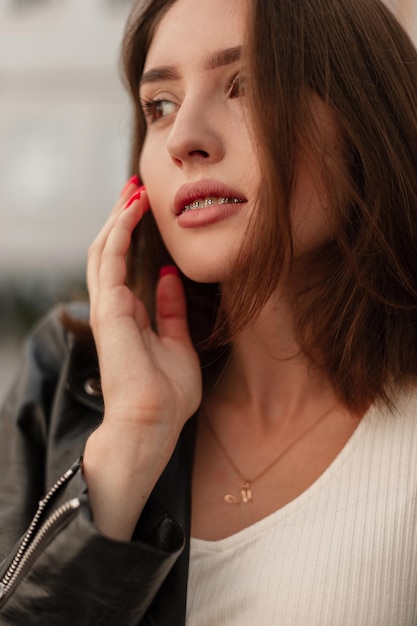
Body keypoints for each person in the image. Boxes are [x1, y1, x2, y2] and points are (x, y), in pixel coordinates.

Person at [1, 0, 417, 623]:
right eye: (158, 106)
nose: (184, 139)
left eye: (245, 85)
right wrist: (131, 444)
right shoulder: (67, 382)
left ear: (364, 117)